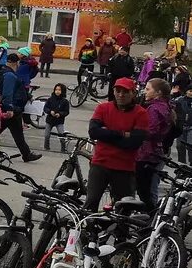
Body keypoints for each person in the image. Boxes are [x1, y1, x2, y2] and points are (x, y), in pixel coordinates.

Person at [84, 77, 148, 209]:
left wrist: (107, 134)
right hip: (100, 164)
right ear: (113, 91)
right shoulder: (103, 108)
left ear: (133, 93)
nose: (121, 95)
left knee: (124, 207)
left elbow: (134, 142)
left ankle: (119, 230)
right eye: (118, 91)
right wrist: (122, 134)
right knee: (91, 201)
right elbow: (94, 132)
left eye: (125, 92)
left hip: (124, 167)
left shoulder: (141, 113)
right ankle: (89, 227)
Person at [135, 77, 173, 206]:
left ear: (158, 93)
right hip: (155, 151)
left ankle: (148, 215)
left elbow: (150, 131)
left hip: (146, 153)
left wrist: (131, 133)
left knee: (143, 189)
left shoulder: (154, 109)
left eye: (147, 89)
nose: (144, 92)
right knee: (146, 187)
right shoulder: (165, 106)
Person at [42, 82, 72, 152]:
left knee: (61, 135)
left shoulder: (65, 101)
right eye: (56, 90)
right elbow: (45, 108)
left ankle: (63, 148)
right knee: (46, 135)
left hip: (59, 121)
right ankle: (46, 147)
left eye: (59, 90)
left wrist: (60, 114)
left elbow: (66, 111)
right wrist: (50, 111)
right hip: (50, 120)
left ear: (63, 91)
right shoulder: (50, 99)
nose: (57, 91)